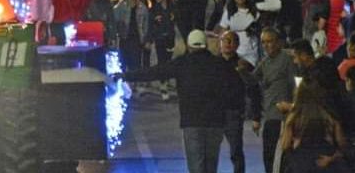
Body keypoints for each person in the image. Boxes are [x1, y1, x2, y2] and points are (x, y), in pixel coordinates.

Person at [119, 30, 239, 173]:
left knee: (196, 166)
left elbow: (155, 72)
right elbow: (235, 87)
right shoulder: (218, 64)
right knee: (211, 166)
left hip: (192, 122)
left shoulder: (183, 63)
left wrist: (126, 75)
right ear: (205, 45)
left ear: (189, 46)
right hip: (215, 123)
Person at [250, 28, 297, 173]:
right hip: (269, 117)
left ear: (278, 43)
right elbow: (252, 80)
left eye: (269, 41)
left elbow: (295, 86)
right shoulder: (265, 62)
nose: (266, 45)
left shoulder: (286, 61)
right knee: (269, 159)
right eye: (263, 42)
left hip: (282, 119)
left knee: (279, 162)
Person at [278, 81, 348, 173]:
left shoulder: (294, 118)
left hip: (300, 165)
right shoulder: (329, 117)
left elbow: (285, 145)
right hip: (325, 164)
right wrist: (332, 158)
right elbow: (343, 145)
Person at [218, 31, 257, 173]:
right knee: (210, 151)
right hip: (215, 113)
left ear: (237, 44)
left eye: (231, 40)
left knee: (236, 150)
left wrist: (256, 116)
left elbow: (254, 88)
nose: (228, 43)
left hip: (233, 113)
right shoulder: (213, 64)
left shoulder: (244, 65)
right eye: (225, 40)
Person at [144, 0, 177, 101]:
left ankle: (166, 81)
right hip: (159, 39)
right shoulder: (153, 10)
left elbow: (176, 22)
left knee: (169, 62)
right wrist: (149, 40)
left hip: (170, 38)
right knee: (162, 62)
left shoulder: (172, 8)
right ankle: (163, 86)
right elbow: (151, 26)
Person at [218, 0, 262, 65]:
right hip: (234, 51)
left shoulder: (254, 12)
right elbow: (223, 32)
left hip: (251, 52)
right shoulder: (229, 13)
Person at [114, 0, 149, 75]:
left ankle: (134, 80)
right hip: (125, 36)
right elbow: (115, 19)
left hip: (137, 37)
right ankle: (124, 79)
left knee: (135, 60)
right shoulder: (121, 5)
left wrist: (145, 37)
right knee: (123, 59)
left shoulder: (142, 7)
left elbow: (146, 23)